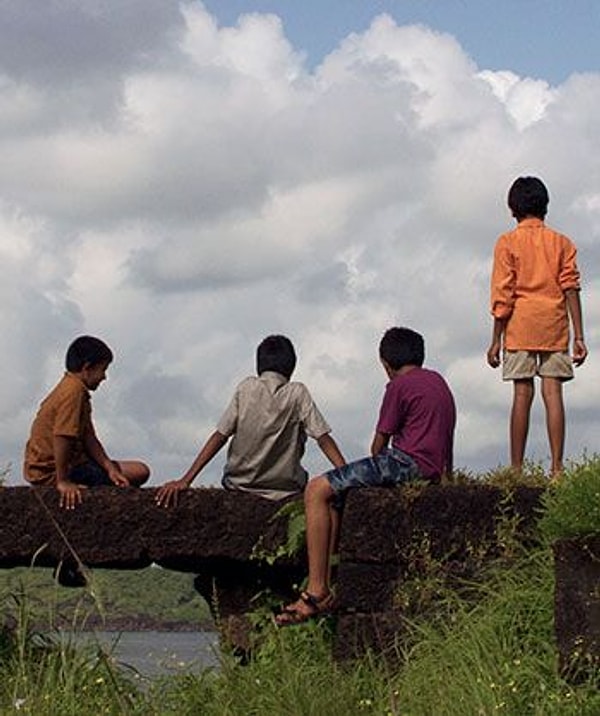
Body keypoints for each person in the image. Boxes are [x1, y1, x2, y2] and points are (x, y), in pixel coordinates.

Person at [276, 326, 456, 625]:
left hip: (405, 463)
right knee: (334, 499)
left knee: (317, 490)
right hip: (433, 469)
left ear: (386, 364)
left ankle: (317, 590)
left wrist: (371, 464)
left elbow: (379, 444)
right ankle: (329, 582)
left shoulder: (398, 386)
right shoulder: (439, 382)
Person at [155, 334, 346, 507]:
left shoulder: (246, 387)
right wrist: (347, 473)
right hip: (285, 488)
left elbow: (220, 436)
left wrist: (186, 479)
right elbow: (322, 438)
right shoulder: (298, 392)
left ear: (259, 364)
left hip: (240, 484)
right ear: (291, 367)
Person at [487, 176, 588, 476]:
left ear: (511, 209)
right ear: (545, 206)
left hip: (519, 326)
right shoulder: (562, 242)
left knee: (521, 394)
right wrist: (579, 336)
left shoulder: (507, 242)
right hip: (554, 325)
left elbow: (502, 295)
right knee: (553, 393)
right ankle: (557, 468)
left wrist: (495, 340)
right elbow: (571, 287)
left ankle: (516, 469)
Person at [24, 335, 150, 510]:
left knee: (138, 470)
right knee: (140, 471)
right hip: (53, 472)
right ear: (87, 368)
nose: (104, 377)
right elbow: (62, 436)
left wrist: (109, 468)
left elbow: (88, 437)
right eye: (103, 370)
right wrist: (63, 481)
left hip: (72, 464)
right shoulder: (73, 392)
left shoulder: (76, 388)